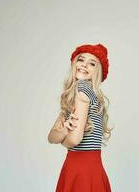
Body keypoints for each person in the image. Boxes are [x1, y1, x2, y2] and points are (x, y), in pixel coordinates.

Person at [47, 43, 113, 192]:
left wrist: (63, 138)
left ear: (98, 71)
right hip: (88, 167)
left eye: (92, 64)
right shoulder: (74, 96)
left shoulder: (82, 89)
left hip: (80, 168)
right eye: (81, 60)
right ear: (74, 62)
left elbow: (75, 140)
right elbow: (51, 137)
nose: (84, 65)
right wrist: (64, 131)